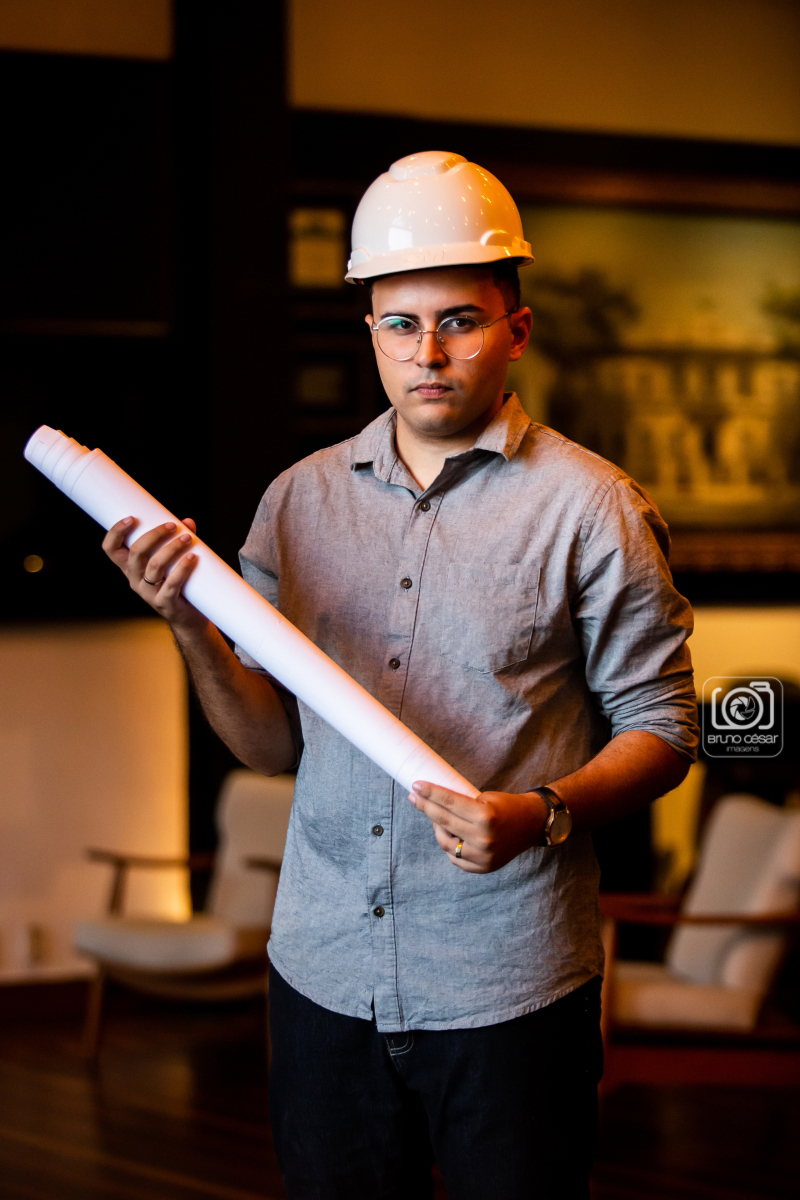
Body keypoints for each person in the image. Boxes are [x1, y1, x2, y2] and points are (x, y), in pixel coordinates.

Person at [102, 151, 698, 1199]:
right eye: (399, 324)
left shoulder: (592, 508)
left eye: (458, 321)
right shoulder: (297, 502)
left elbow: (664, 727)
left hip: (507, 983)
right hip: (321, 974)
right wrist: (188, 625)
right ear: (369, 331)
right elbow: (270, 746)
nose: (427, 353)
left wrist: (541, 814)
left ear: (515, 329)